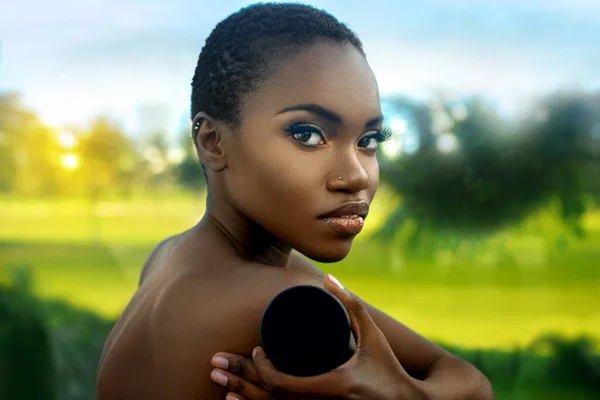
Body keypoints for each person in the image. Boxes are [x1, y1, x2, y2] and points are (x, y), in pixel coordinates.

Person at [96, 3, 493, 400]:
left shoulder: (167, 257)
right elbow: (474, 388)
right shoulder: (285, 303)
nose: (356, 175)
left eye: (368, 140)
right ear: (212, 142)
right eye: (308, 135)